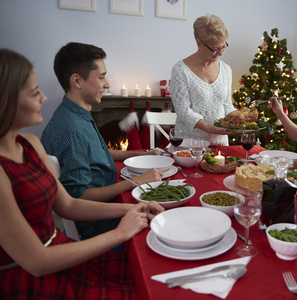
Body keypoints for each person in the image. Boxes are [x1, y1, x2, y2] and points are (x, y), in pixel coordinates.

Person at [0, 48, 165, 299]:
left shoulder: (30, 143)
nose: (44, 97)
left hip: (61, 248)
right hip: (32, 276)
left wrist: (131, 209)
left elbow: (68, 204)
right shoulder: (69, 129)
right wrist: (120, 232)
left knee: (155, 280)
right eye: (34, 92)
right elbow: (37, 261)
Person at [41, 42, 162, 241]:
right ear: (77, 81)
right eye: (102, 77)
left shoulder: (75, 113)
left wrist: (141, 153)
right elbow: (77, 197)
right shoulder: (73, 130)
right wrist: (135, 182)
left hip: (107, 206)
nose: (107, 84)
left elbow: (99, 152)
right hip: (99, 225)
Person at [170, 14, 236, 146]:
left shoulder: (226, 70)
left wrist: (237, 121)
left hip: (220, 144)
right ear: (199, 43)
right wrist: (209, 129)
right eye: (216, 49)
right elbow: (183, 110)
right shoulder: (180, 70)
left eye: (223, 46)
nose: (221, 53)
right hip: (189, 145)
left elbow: (227, 105)